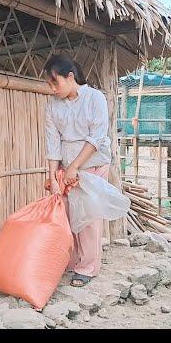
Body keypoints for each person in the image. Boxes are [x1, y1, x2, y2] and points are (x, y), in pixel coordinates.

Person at [43, 54, 112, 287]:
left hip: (93, 164)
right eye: (49, 84)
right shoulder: (53, 104)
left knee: (88, 218)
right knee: (68, 215)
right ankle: (72, 263)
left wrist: (74, 167)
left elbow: (97, 138)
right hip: (66, 167)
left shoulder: (95, 98)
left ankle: (88, 268)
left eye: (55, 83)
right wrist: (53, 175)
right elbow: (52, 141)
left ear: (70, 77)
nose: (52, 89)